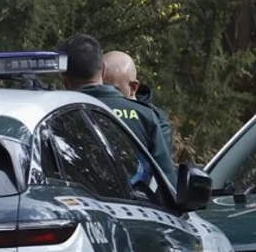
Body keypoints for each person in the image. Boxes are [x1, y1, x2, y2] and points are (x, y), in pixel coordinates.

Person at [58, 34, 178, 181]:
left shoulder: (55, 115)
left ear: (63, 77)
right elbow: (167, 180)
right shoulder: (146, 116)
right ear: (103, 69)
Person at [101, 49, 177, 178]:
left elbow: (163, 175)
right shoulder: (88, 105)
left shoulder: (154, 119)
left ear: (133, 87)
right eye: (102, 87)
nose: (107, 95)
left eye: (114, 90)